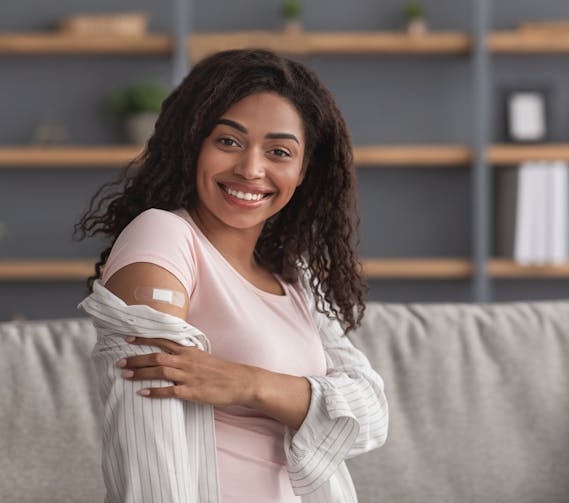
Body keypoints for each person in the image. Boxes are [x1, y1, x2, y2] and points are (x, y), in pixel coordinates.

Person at [74, 48, 388, 503]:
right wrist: (298, 399)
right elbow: (147, 450)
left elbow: (372, 414)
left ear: (303, 171)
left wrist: (247, 383)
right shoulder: (164, 238)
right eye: (229, 142)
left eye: (279, 151)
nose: (251, 169)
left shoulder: (295, 277)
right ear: (193, 144)